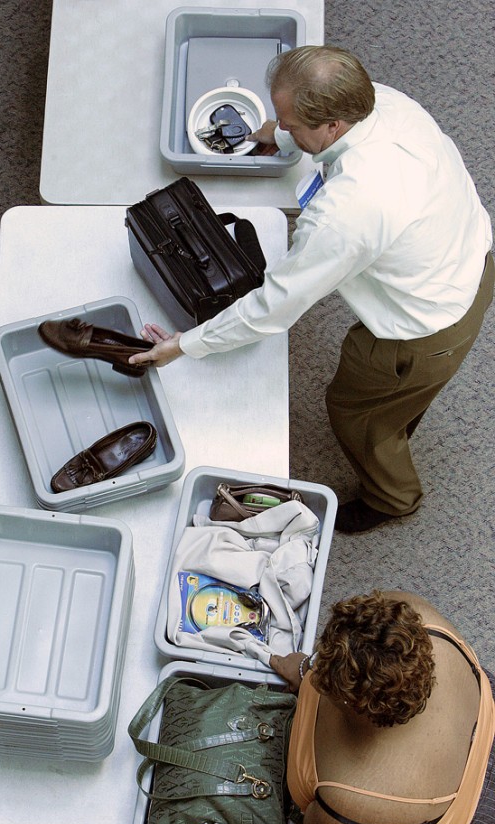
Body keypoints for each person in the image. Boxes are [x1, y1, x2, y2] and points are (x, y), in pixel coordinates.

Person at [129, 46, 494, 534]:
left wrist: (182, 345)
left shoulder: (347, 211)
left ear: (332, 126)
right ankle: (401, 412)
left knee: (356, 413)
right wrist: (277, 135)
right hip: (472, 264)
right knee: (401, 399)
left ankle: (393, 498)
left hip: (423, 328)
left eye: (289, 122)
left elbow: (273, 307)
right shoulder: (385, 102)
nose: (280, 127)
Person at [193, 590, 495, 824]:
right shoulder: (407, 615)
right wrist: (305, 669)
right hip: (478, 719)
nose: (316, 672)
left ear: (350, 704)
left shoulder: (363, 804)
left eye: (323, 678)